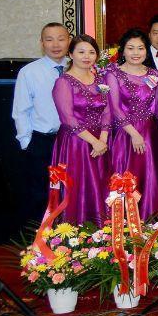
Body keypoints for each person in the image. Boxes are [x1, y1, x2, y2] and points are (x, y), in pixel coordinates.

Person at [12, 22, 70, 228]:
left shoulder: (78, 66)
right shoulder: (29, 72)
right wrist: (27, 142)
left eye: (61, 39)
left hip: (74, 140)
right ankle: (41, 239)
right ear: (41, 43)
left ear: (69, 41)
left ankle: (70, 235)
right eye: (49, 39)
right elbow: (20, 110)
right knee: (42, 193)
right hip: (44, 141)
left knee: (71, 190)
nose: (56, 44)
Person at [52, 34, 111, 224]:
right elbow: (68, 119)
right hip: (76, 143)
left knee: (100, 185)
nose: (87, 56)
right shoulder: (63, 82)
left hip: (101, 142)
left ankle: (101, 230)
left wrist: (103, 139)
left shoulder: (100, 79)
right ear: (70, 54)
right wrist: (94, 142)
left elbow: (107, 110)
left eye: (91, 52)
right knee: (78, 186)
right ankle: (75, 231)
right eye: (81, 52)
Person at [107, 28, 158, 218]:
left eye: (140, 48)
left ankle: (150, 219)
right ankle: (123, 222)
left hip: (151, 133)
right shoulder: (113, 74)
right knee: (127, 175)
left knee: (151, 176)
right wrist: (134, 134)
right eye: (130, 48)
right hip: (125, 134)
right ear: (122, 50)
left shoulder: (154, 74)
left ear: (146, 51)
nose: (135, 53)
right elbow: (115, 108)